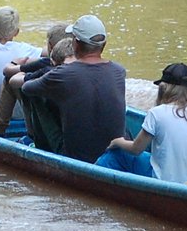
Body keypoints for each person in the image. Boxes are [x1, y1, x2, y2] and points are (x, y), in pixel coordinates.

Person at [16, 14, 126, 162]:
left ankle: (38, 145)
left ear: (75, 44)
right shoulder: (119, 70)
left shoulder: (63, 74)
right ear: (103, 45)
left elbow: (27, 88)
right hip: (114, 153)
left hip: (74, 156)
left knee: (37, 95)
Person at [98, 63, 187, 183]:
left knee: (117, 153)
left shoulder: (156, 113)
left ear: (164, 88)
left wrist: (118, 142)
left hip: (164, 179)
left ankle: (93, 179)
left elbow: (136, 149)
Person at [0, 21, 72, 134]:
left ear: (50, 47)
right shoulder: (81, 67)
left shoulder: (46, 67)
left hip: (51, 127)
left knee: (14, 82)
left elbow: (8, 73)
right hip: (71, 123)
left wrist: (15, 63)